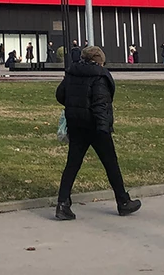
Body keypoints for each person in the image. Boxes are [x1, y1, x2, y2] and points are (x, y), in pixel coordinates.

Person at [54, 45, 141, 220]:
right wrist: (104, 128)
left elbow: (60, 95)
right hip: (95, 126)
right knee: (111, 164)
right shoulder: (100, 76)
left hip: (76, 124)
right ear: (99, 61)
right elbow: (101, 104)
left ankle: (63, 204)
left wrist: (74, 106)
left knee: (72, 164)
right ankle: (123, 201)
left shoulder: (72, 72)